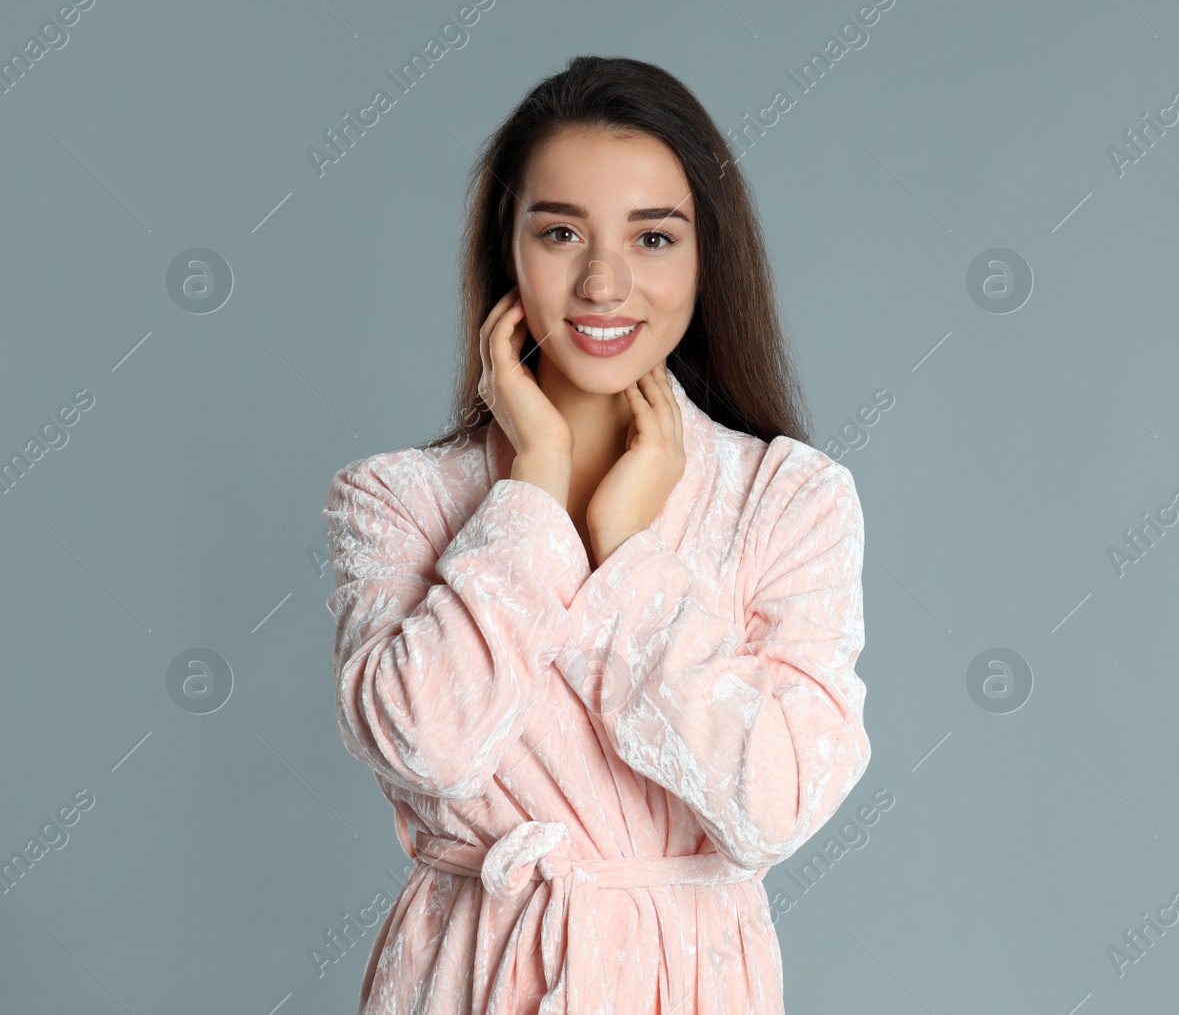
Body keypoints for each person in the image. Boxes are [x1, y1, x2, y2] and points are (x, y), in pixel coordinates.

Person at [320, 55, 871, 1014]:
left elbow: (774, 804)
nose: (605, 281)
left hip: (690, 983)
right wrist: (530, 491)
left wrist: (629, 555)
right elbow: (425, 745)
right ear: (509, 254)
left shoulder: (788, 500)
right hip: (469, 974)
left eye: (654, 236)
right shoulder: (395, 499)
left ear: (707, 259)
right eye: (562, 230)